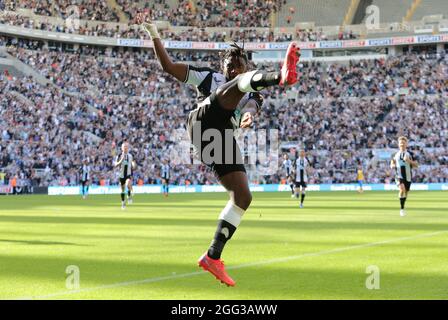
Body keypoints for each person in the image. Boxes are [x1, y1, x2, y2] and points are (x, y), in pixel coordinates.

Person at [139, 14, 300, 286]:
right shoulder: (209, 77)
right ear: (223, 65)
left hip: (220, 139)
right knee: (238, 86)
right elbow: (167, 66)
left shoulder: (252, 93)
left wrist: (248, 116)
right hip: (202, 122)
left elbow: (251, 106)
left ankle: (212, 256)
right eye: (230, 62)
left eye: (240, 63)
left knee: (243, 197)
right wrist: (153, 32)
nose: (235, 66)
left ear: (246, 65)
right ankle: (281, 76)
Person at [390, 136, 418, 217]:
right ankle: (402, 209)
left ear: (406, 144)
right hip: (399, 175)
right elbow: (392, 162)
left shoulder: (410, 154)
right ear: (398, 144)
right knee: (402, 189)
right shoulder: (394, 154)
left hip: (408, 176)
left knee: (406, 192)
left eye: (403, 143)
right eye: (400, 143)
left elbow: (416, 165)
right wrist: (392, 165)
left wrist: (409, 161)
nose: (402, 144)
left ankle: (403, 204)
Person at [114, 141, 137, 210]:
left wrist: (134, 165)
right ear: (122, 148)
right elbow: (115, 164)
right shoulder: (119, 155)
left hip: (128, 174)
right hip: (121, 175)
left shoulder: (130, 155)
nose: (125, 148)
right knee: (122, 190)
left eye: (126, 147)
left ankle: (130, 194)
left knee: (128, 183)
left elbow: (133, 163)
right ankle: (123, 203)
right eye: (124, 147)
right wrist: (121, 160)